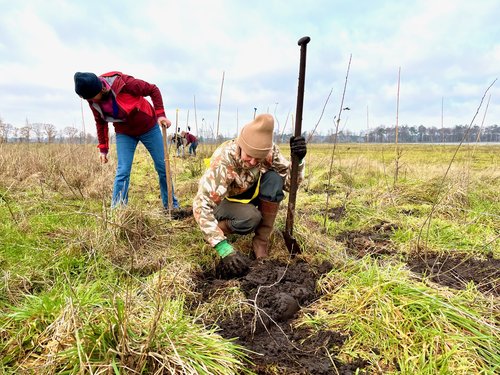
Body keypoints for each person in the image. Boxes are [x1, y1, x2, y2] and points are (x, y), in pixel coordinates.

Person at [193, 114, 307, 276]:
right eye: (249, 156)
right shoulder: (224, 161)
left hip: (249, 195)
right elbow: (201, 205)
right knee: (251, 218)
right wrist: (222, 247)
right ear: (240, 145)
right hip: (223, 202)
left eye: (258, 158)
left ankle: (261, 241)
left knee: (274, 179)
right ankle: (218, 229)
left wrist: (298, 162)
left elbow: (289, 185)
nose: (253, 162)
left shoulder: (270, 153)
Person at [74, 71, 180, 210]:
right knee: (123, 170)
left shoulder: (123, 83)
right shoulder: (92, 99)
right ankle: (118, 211)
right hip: (124, 133)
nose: (92, 101)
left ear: (100, 88)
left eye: (93, 97)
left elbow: (153, 89)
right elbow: (100, 122)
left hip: (148, 127)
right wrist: (103, 149)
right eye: (88, 99)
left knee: (162, 166)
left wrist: (160, 115)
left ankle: (171, 206)